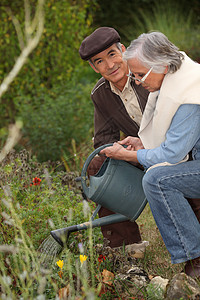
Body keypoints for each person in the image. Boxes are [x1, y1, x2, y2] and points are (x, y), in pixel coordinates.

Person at [100, 31, 200, 278]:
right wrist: (142, 143)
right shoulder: (178, 76)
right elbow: (175, 134)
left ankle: (196, 258)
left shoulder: (187, 92)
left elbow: (173, 153)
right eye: (133, 74)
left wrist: (129, 156)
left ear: (164, 64)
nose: (135, 80)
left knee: (157, 179)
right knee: (157, 176)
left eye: (139, 74)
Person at [79, 27, 150, 256]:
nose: (109, 65)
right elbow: (102, 140)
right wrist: (116, 148)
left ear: (122, 49)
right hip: (139, 153)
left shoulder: (148, 72)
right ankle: (126, 248)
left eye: (112, 54)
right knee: (97, 166)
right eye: (99, 61)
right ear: (93, 67)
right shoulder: (100, 94)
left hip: (173, 145)